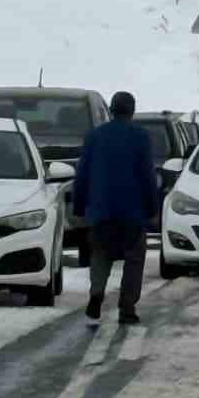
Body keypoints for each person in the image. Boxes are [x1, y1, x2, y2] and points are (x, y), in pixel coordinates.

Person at [71, 90, 159, 326]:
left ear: (111, 110)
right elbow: (147, 176)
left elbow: (83, 175)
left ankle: (96, 293)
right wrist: (153, 208)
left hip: (101, 211)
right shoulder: (141, 137)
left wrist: (79, 206)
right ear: (132, 111)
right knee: (133, 259)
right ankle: (127, 308)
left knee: (100, 254)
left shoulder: (94, 136)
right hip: (133, 213)